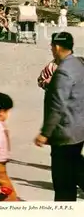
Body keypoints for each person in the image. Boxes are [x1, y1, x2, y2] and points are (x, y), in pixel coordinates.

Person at [34, 32, 84, 201]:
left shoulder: (63, 72)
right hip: (79, 131)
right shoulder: (78, 64)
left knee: (63, 184)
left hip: (65, 134)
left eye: (51, 46)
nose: (51, 49)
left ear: (56, 47)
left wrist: (45, 133)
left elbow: (57, 105)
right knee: (74, 170)